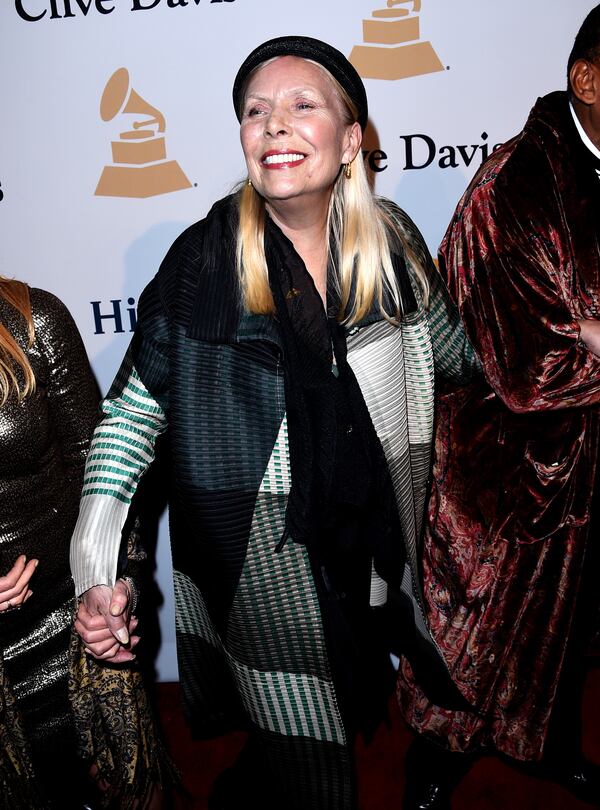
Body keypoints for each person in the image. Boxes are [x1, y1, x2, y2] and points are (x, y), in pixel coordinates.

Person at [70, 36, 478, 810]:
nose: (274, 126)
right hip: (263, 564)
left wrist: (559, 348)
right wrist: (97, 570)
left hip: (370, 543)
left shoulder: (392, 243)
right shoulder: (203, 262)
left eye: (301, 106)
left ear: (352, 138)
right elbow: (128, 419)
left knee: (349, 696)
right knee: (309, 761)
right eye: (256, 112)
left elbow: (459, 357)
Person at [398, 6, 600, 809]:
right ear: (586, 80)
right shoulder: (512, 186)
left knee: (559, 641)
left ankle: (543, 748)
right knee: (466, 641)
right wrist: (580, 337)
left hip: (579, 470)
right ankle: (434, 764)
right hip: (497, 477)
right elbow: (529, 370)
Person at [0, 277, 167, 809]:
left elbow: (101, 475)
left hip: (70, 627)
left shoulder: (32, 319)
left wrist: (116, 586)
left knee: (127, 790)